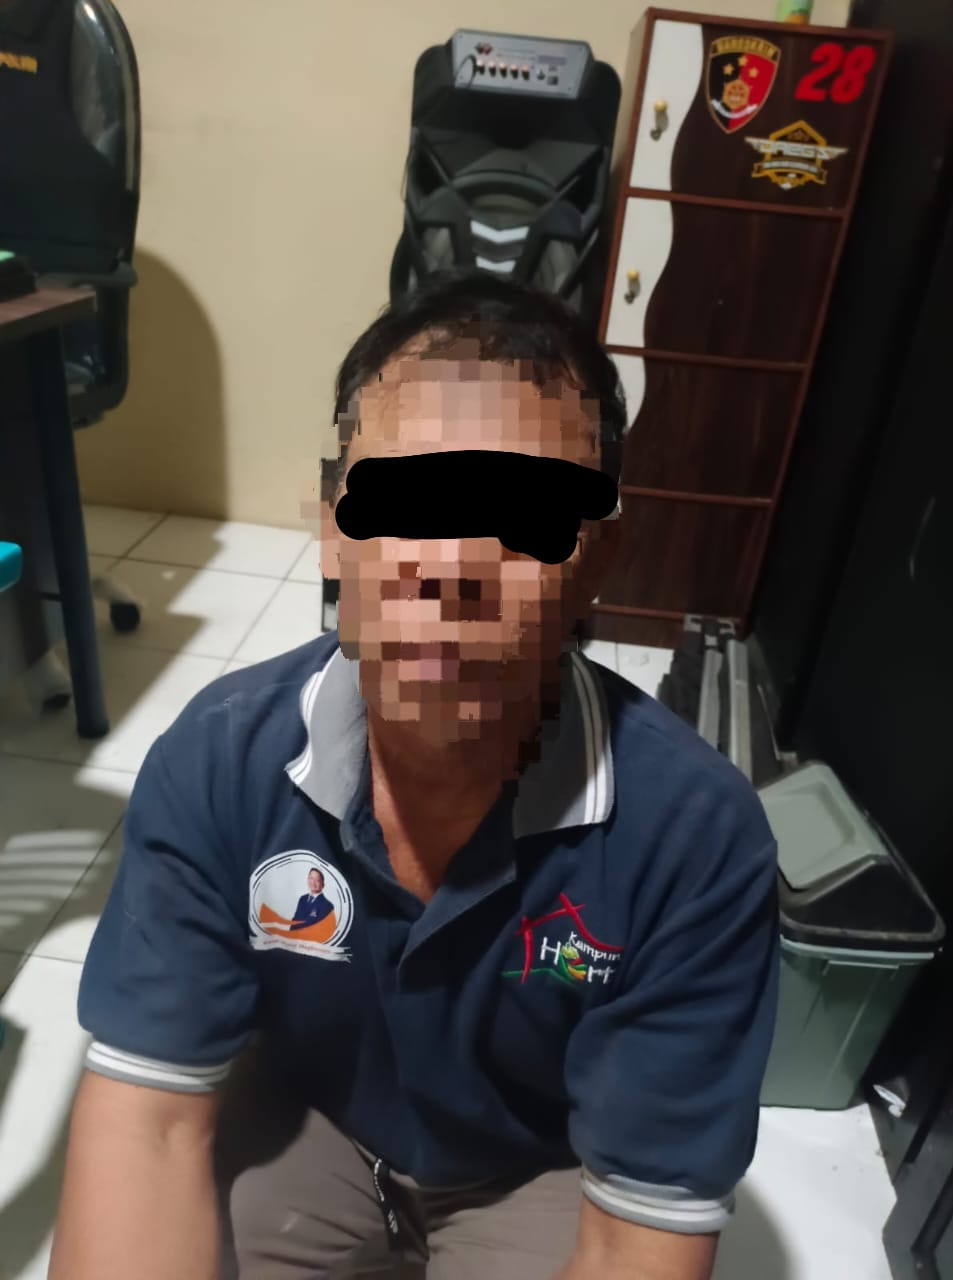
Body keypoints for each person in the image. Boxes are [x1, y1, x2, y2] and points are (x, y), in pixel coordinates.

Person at [50, 271, 780, 1280]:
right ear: (333, 526)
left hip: (533, 1163)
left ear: (599, 556)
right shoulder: (221, 758)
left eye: (525, 514)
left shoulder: (693, 838)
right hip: (312, 1120)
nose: (452, 564)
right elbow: (149, 1118)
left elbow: (638, 1232)